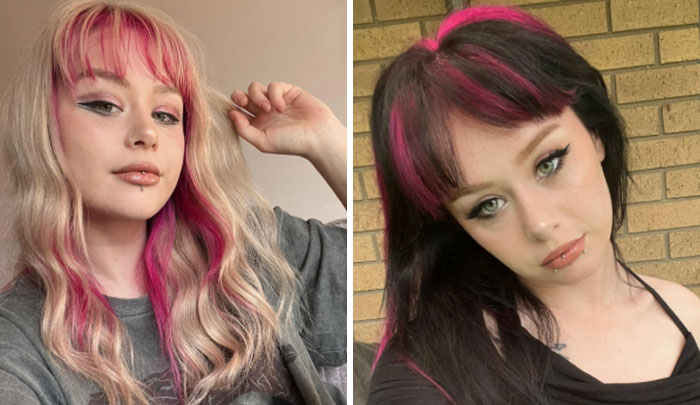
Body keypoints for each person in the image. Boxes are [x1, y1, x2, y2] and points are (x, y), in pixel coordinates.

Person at [0, 1, 346, 404]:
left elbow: (389, 272)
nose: (147, 132)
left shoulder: (248, 247)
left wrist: (327, 142)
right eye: (104, 105)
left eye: (166, 114)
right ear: (42, 125)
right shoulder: (19, 346)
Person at [367, 5, 700, 405]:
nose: (540, 224)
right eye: (487, 205)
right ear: (457, 223)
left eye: (549, 162)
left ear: (595, 135)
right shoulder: (428, 368)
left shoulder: (687, 311)